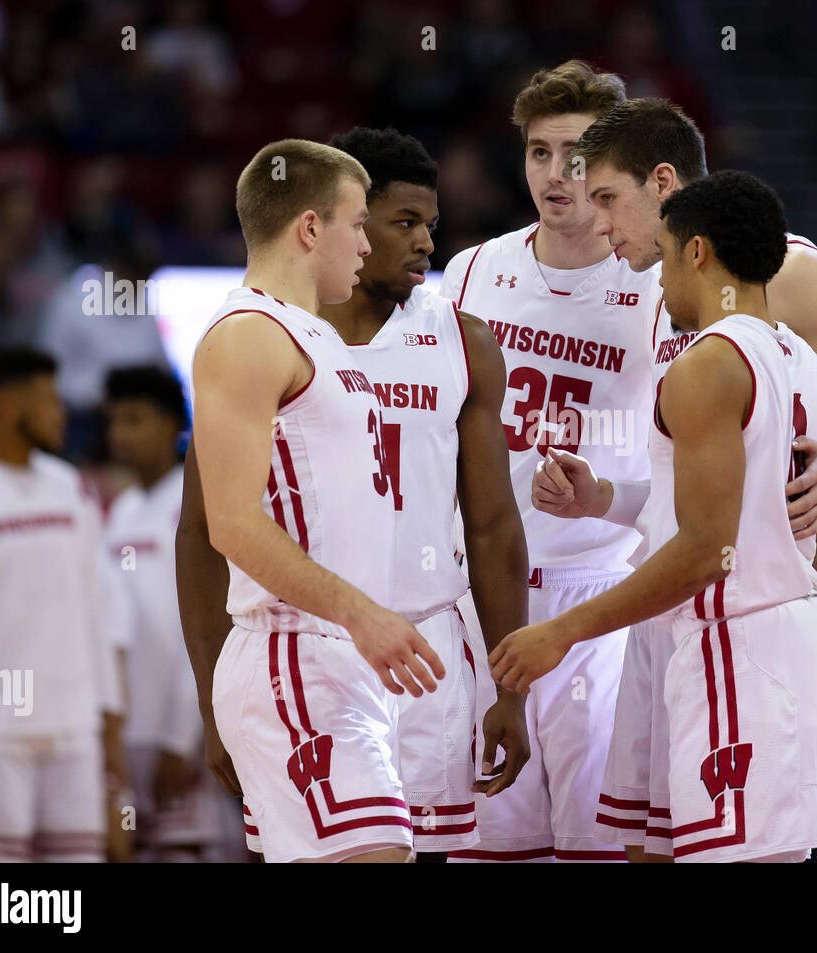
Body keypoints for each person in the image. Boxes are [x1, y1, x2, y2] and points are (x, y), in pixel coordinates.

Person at [533, 97, 817, 858]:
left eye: (607, 199)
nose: (599, 226)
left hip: (743, 608)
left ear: (663, 184)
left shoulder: (790, 276)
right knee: (649, 847)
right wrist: (605, 496)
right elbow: (699, 489)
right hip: (675, 612)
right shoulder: (660, 293)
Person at [176, 127, 531, 862]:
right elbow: (222, 524)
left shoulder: (334, 343)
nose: (411, 244)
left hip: (408, 645)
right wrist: (356, 616)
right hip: (306, 648)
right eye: (383, 223)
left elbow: (492, 523)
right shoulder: (252, 337)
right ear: (320, 225)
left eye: (430, 225)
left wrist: (507, 686)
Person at [438, 60, 662, 863]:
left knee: (595, 848)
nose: (555, 174)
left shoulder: (656, 283)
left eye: (575, 155)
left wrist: (602, 495)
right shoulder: (470, 271)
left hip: (597, 601)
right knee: (486, 848)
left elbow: (683, 480)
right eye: (539, 152)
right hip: (483, 598)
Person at [0, 346, 128, 862]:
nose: (61, 411)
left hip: (73, 728)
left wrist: (110, 730)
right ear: (7, 406)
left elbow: (97, 614)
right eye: (47, 400)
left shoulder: (72, 489)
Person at [103, 365, 243, 861]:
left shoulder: (195, 508)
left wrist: (185, 733)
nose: (120, 435)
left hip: (183, 725)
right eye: (114, 422)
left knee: (188, 849)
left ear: (170, 425)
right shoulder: (119, 512)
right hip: (130, 726)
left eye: (134, 421)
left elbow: (207, 624)